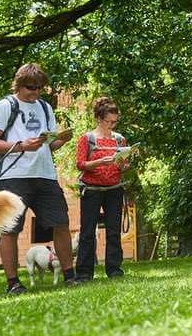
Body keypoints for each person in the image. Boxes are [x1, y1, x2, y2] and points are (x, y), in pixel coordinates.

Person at [0, 63, 76, 294]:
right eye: (30, 87)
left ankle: (70, 276)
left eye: (39, 88)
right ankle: (13, 282)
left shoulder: (45, 107)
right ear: (19, 84)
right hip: (13, 176)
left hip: (45, 174)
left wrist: (61, 140)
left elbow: (48, 145)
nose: (35, 92)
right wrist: (21, 146)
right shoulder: (5, 106)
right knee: (10, 230)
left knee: (61, 223)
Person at [74, 97, 128, 281]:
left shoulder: (119, 140)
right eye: (108, 121)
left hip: (114, 188)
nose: (111, 125)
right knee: (87, 231)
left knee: (114, 231)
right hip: (91, 189)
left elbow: (124, 165)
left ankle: (114, 270)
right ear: (99, 118)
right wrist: (98, 162)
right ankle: (84, 272)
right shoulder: (87, 139)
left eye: (114, 121)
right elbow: (80, 164)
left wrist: (122, 164)